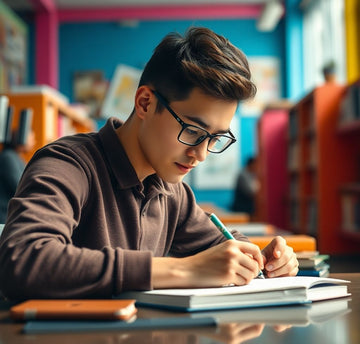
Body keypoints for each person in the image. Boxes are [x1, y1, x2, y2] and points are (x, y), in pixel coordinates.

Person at [0, 27, 298, 300]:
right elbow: (22, 259)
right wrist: (183, 271)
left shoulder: (171, 190)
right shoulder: (68, 164)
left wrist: (262, 259)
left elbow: (220, 246)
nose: (202, 154)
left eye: (215, 139)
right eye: (193, 131)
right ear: (145, 103)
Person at [0, 129, 35, 223]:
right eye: (31, 137)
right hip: (4, 217)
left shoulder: (16, 157)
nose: (34, 141)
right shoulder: (8, 157)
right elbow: (21, 187)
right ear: (21, 137)